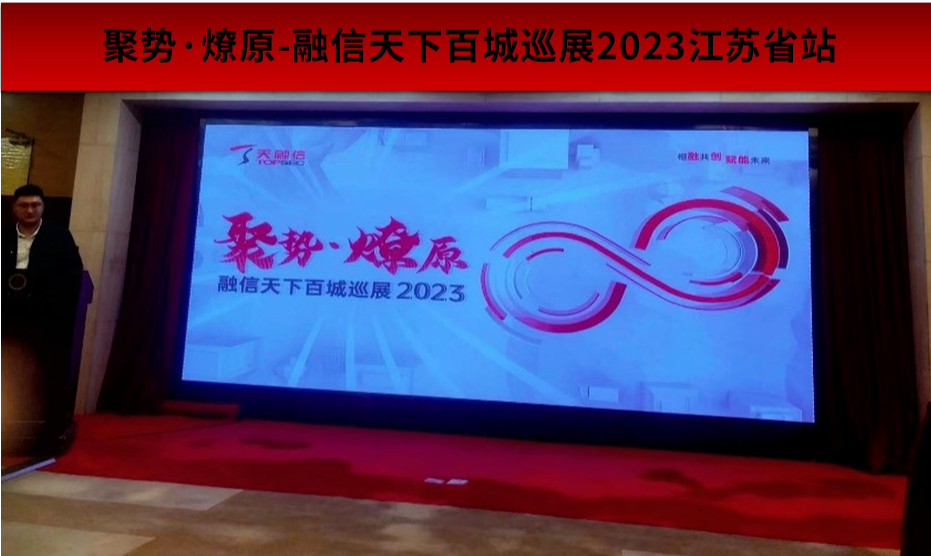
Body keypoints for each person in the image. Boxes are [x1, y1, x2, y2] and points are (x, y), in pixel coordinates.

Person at [3, 184, 84, 441]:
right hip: (6, 315)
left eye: (35, 205)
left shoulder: (58, 237)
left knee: (44, 371)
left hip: (44, 319)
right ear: (14, 208)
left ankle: (46, 426)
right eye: (24, 205)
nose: (30, 210)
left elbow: (74, 275)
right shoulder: (3, 235)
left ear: (43, 207)